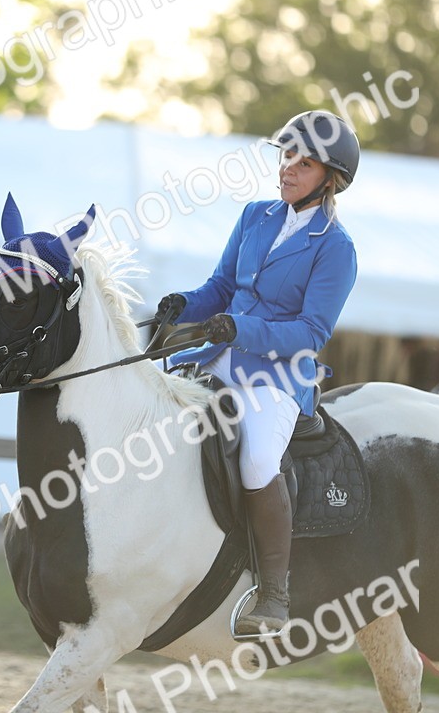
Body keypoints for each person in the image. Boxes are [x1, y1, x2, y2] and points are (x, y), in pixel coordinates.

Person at [156, 110, 359, 637]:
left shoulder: (336, 247)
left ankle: (273, 593)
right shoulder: (255, 216)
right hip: (215, 356)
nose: (287, 167)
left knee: (257, 458)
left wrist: (239, 330)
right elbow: (220, 287)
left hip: (278, 378)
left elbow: (311, 332)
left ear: (330, 178)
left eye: (304, 162)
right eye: (286, 155)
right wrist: (183, 306)